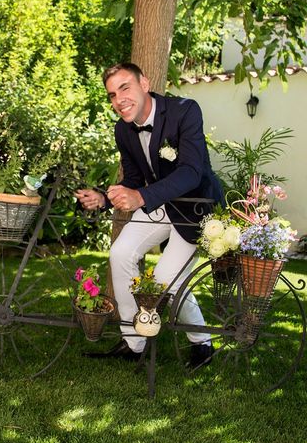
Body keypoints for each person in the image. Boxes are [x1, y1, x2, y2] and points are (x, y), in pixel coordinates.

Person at [75, 62, 223, 365]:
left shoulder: (185, 110)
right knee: (120, 253)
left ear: (145, 83)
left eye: (124, 88)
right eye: (112, 95)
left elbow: (192, 172)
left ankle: (202, 342)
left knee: (166, 279)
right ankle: (134, 342)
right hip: (159, 205)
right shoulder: (123, 130)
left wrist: (141, 196)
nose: (119, 100)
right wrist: (104, 198)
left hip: (195, 208)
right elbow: (131, 179)